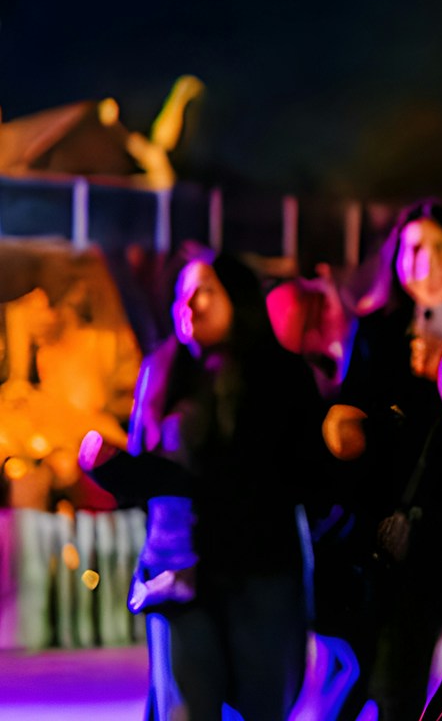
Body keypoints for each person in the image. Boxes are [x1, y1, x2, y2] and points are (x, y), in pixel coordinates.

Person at [84, 247, 324, 721]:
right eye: (181, 294)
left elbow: (295, 476)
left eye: (204, 292)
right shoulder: (161, 371)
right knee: (185, 709)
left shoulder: (284, 376)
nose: (188, 305)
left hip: (261, 573)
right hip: (179, 570)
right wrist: (111, 469)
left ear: (240, 299)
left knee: (264, 703)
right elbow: (150, 475)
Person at [321, 199, 442, 720]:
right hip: (401, 535)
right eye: (414, 248)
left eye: (441, 246)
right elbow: (351, 419)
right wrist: (347, 426)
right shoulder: (378, 332)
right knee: (394, 681)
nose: (427, 260)